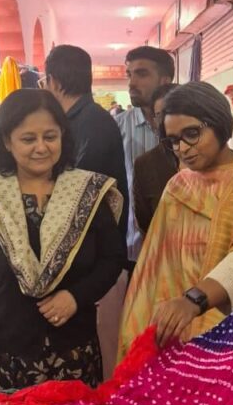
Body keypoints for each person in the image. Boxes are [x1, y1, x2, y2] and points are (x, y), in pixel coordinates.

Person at [0, 89, 124, 390]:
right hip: (6, 355)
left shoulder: (87, 192)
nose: (41, 147)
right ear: (7, 141)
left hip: (74, 353)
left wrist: (76, 296)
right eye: (28, 139)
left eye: (50, 136)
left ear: (62, 136)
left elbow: (112, 259)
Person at [119, 82, 233, 354]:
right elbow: (154, 271)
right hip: (178, 335)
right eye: (173, 140)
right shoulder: (177, 187)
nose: (183, 148)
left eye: (192, 133)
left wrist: (194, 301)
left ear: (218, 122)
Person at [44, 44, 128, 242]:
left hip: (95, 241)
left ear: (54, 82)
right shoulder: (87, 118)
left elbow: (78, 187)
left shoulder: (92, 122)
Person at [115, 45, 175, 260]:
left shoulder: (187, 127)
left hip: (184, 245)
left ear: (164, 81)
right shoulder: (117, 127)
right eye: (129, 75)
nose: (131, 83)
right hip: (135, 247)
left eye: (141, 74)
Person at [133, 83, 178, 236]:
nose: (167, 121)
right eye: (160, 115)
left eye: (173, 112)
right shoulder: (145, 164)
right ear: (153, 120)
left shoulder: (206, 158)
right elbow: (145, 223)